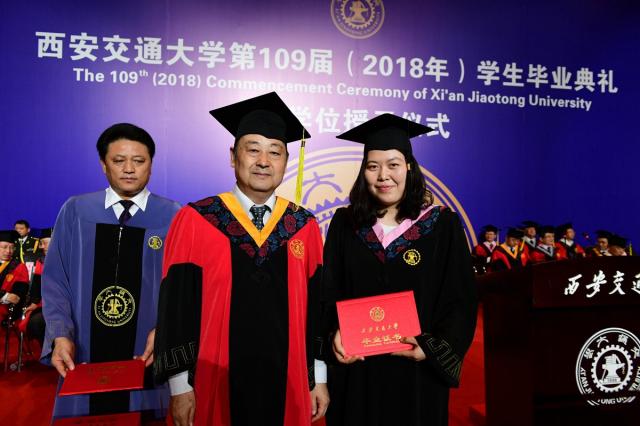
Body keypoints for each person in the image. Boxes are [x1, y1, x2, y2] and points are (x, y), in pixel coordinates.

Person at [153, 92, 329, 426]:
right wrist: (179, 386)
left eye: (275, 152)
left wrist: (317, 377)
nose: (264, 161)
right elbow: (175, 308)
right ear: (233, 156)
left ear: (286, 161)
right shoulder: (198, 219)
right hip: (212, 383)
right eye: (253, 149)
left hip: (289, 384)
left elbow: (317, 311)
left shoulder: (303, 226)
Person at [321, 114, 477, 426]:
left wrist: (432, 348)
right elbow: (328, 292)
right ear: (363, 171)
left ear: (408, 166)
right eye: (373, 166)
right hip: (357, 374)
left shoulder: (441, 225)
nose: (383, 175)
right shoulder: (346, 224)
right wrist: (332, 335)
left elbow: (460, 298)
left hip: (417, 376)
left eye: (393, 164)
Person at [42, 123, 181, 419]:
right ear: (103, 164)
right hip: (83, 351)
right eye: (119, 160)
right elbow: (56, 280)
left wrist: (166, 331)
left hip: (146, 353)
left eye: (139, 161)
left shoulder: (173, 216)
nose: (129, 169)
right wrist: (60, 334)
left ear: (151, 165)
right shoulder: (77, 211)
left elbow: (182, 288)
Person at [21, 227, 53, 346]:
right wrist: (34, 302)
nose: (42, 246)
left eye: (45, 243)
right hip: (45, 304)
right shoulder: (41, 261)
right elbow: (37, 283)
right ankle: (48, 350)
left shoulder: (69, 258)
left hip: (65, 304)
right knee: (36, 323)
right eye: (41, 243)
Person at [1, 230, 30, 322]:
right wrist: (4, 295)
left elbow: (15, 298)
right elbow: (7, 296)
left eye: (12, 247)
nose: (8, 251)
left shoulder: (19, 267)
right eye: (4, 247)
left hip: (4, 312)